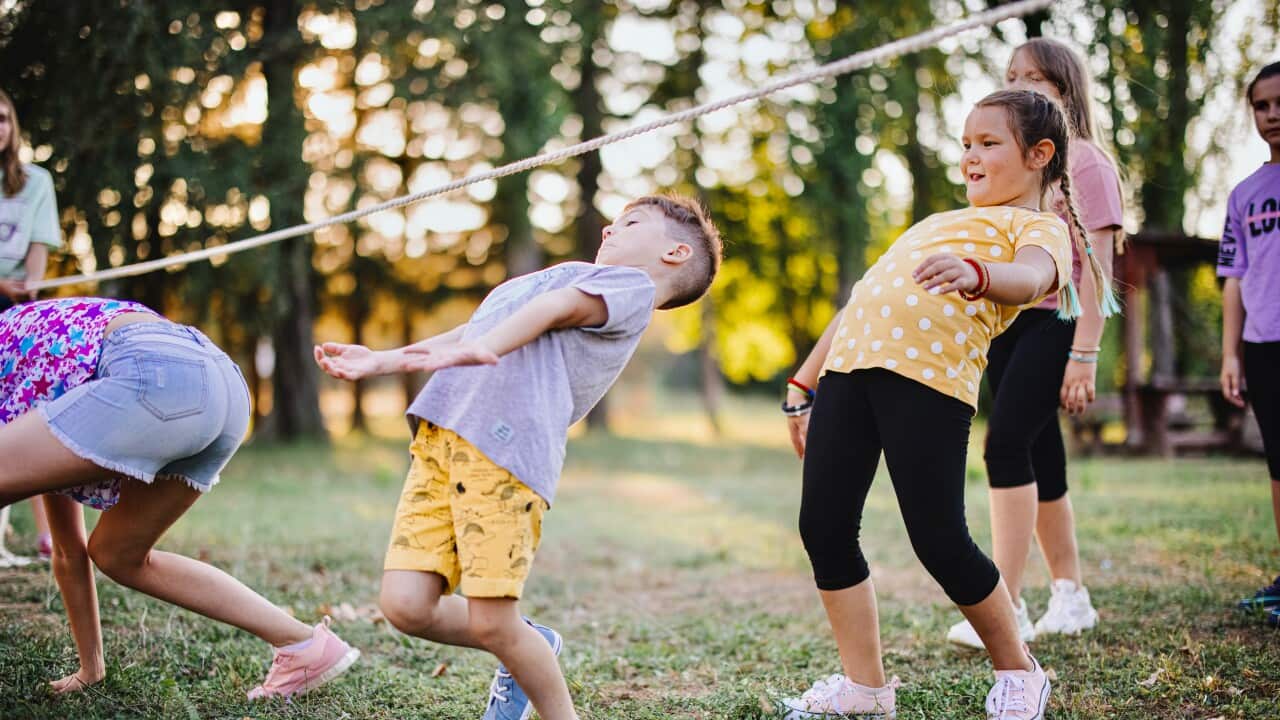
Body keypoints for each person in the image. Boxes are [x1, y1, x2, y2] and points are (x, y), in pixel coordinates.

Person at [316, 194, 721, 720]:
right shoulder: (568, 274)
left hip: (503, 453)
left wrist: (480, 350)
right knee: (406, 606)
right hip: (443, 439)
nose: (608, 229)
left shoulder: (633, 287)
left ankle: (546, 691)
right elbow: (471, 334)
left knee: (491, 621)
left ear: (675, 254)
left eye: (631, 223)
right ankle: (527, 642)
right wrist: (383, 360)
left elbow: (548, 315)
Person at [779, 89, 1116, 720]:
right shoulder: (932, 224)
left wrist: (980, 273)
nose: (971, 156)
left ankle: (1019, 671)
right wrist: (804, 384)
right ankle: (865, 689)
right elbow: (860, 301)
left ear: (1040, 154)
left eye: (989, 143)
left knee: (938, 537)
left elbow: (1034, 279)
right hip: (850, 373)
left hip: (927, 380)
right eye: (966, 143)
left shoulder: (1039, 226)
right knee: (822, 528)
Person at [0, 298, 359, 697]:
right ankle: (304, 645)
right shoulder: (27, 350)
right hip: (219, 381)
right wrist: (90, 668)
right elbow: (69, 548)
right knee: (118, 553)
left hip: (153, 373)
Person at [946, 37, 1125, 650]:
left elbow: (1099, 269)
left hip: (1060, 318)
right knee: (1039, 455)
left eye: (1038, 77)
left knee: (1004, 447)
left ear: (1066, 89)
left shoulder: (1088, 165)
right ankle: (1071, 595)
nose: (1022, 83)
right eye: (1013, 74)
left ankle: (1009, 602)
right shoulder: (1016, 165)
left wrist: (1086, 353)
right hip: (1010, 319)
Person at [1219, 61, 1280, 627]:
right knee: (1278, 462)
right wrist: (1231, 353)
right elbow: (1233, 277)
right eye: (1261, 105)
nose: (1273, 114)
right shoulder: (1244, 195)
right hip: (1264, 342)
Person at [0, 88, 58, 567]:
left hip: (15, 302)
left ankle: (48, 536)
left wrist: (30, 288)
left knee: (29, 410)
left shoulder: (35, 182)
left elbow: (39, 243)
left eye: (1, 118)